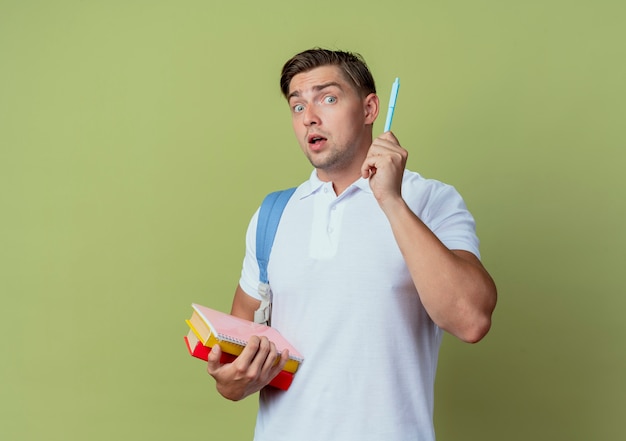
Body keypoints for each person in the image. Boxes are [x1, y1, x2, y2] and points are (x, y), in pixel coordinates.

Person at [207, 48, 497, 441]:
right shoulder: (272, 215)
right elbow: (236, 353)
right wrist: (231, 382)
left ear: (369, 108)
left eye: (328, 98)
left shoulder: (430, 201)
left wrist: (390, 200)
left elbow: (471, 319)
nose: (309, 116)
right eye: (297, 105)